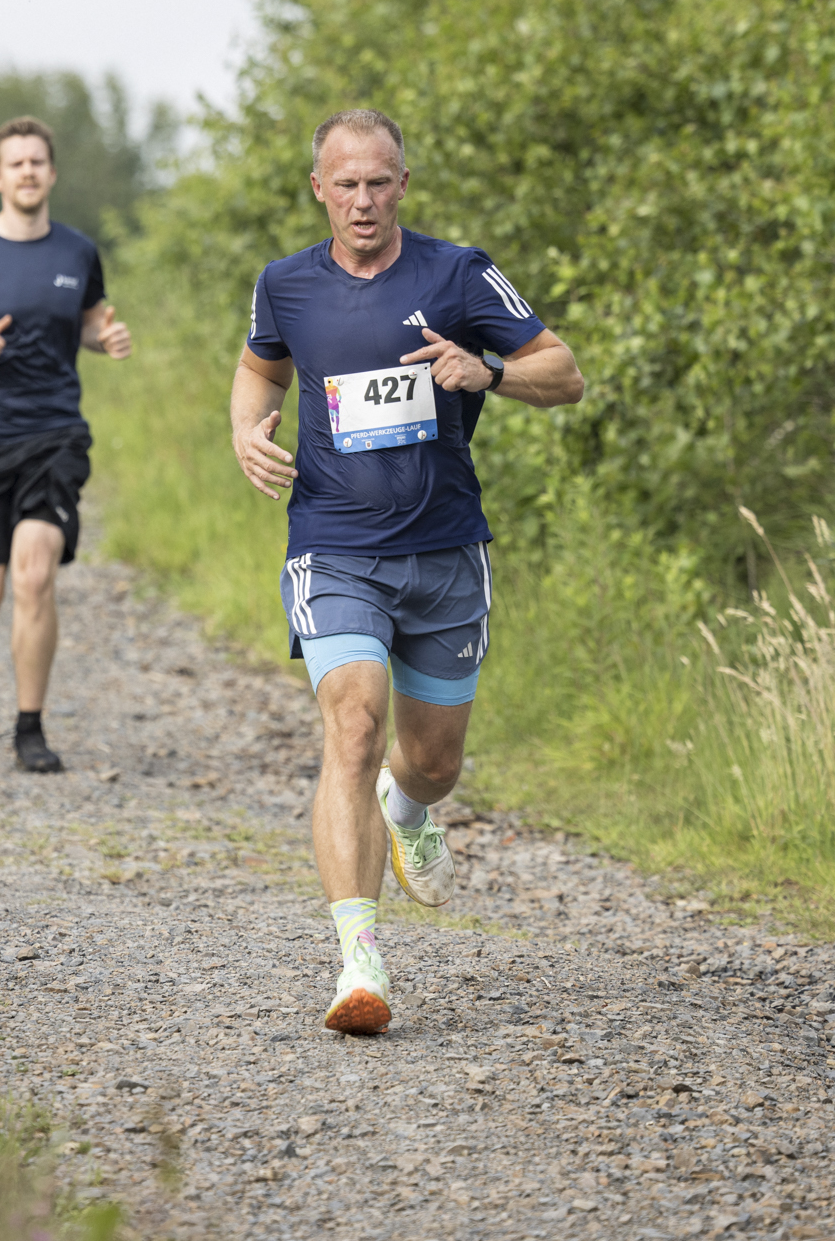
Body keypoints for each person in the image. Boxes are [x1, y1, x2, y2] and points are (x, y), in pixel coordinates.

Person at [230, 108, 585, 1034]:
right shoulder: (284, 284)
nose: (362, 201)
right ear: (319, 188)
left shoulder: (457, 274)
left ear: (402, 184)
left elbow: (564, 372)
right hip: (333, 544)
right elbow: (261, 369)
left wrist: (488, 373)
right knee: (353, 724)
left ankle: (407, 809)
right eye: (345, 184)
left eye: (378, 182)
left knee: (432, 762)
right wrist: (245, 431)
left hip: (445, 549)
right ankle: (360, 962)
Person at [0, 117, 131, 773]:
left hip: (53, 436)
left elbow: (89, 323)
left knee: (35, 573)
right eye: (16, 163)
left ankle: (29, 727)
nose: (28, 171)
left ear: (52, 173)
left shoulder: (77, 251)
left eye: (38, 161)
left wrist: (104, 340)